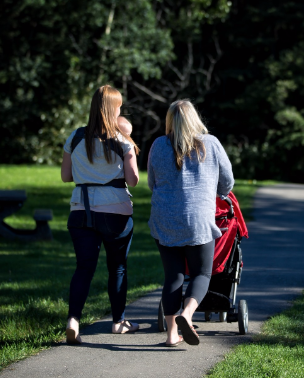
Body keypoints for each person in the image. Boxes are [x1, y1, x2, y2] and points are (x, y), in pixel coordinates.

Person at [147, 99, 234, 347]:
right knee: (201, 273)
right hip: (198, 220)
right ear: (195, 118)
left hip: (164, 220)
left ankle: (172, 335)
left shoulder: (157, 145)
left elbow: (152, 182)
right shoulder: (211, 144)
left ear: (169, 121)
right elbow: (227, 183)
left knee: (173, 276)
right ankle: (187, 313)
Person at [61, 85, 141, 344]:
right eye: (118, 105)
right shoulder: (121, 141)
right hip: (114, 211)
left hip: (80, 210)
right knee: (116, 267)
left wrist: (89, 174)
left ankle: (73, 319)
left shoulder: (75, 137)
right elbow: (134, 179)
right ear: (112, 108)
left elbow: (66, 176)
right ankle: (118, 322)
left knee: (83, 268)